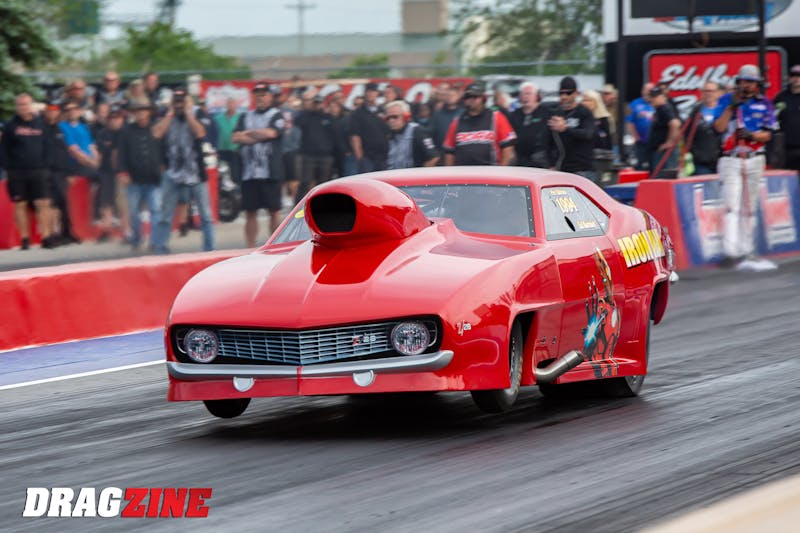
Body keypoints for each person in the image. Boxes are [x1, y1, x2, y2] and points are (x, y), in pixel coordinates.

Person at [713, 64, 779, 272]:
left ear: (757, 84)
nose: (747, 85)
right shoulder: (726, 100)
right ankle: (730, 252)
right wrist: (731, 107)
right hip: (731, 158)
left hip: (754, 158)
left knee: (749, 207)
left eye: (751, 82)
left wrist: (751, 136)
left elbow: (769, 134)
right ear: (738, 82)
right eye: (744, 81)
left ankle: (746, 249)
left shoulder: (765, 103)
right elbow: (718, 127)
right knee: (731, 205)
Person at [151, 88, 213, 254]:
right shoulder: (167, 117)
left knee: (206, 215)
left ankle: (209, 249)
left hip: (196, 174)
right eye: (176, 102)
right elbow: (156, 133)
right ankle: (161, 249)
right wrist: (170, 113)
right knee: (165, 216)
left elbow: (200, 132)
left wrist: (187, 113)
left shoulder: (197, 114)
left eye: (181, 101)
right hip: (173, 174)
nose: (179, 105)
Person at [232, 82, 286, 246]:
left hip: (270, 171)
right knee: (250, 212)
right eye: (257, 95)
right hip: (249, 172)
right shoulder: (245, 116)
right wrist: (259, 135)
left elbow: (272, 133)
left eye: (263, 95)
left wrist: (248, 133)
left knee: (274, 211)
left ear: (270, 96)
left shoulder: (277, 115)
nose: (260, 98)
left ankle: (275, 246)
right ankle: (250, 247)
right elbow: (235, 137)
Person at [1, 93, 57, 249]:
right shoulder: (10, 126)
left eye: (25, 104)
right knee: (20, 204)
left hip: (39, 170)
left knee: (43, 202)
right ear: (16, 107)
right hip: (17, 172)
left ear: (31, 105)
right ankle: (25, 239)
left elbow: (48, 146)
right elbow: (3, 149)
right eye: (20, 105)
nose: (23, 107)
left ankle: (46, 236)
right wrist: (8, 166)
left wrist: (46, 165)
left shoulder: (41, 124)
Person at [117, 101, 163, 251]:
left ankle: (155, 241)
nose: (141, 114)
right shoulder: (126, 131)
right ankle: (137, 238)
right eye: (137, 111)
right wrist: (122, 172)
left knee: (156, 210)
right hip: (133, 179)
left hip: (154, 178)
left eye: (143, 110)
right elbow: (121, 154)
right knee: (133, 212)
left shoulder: (156, 128)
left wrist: (164, 166)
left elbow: (164, 148)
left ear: (149, 112)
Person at [442, 81, 516, 166]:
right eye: (467, 97)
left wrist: (503, 168)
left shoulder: (496, 117)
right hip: (463, 171)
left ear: (483, 98)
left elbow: (508, 146)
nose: (471, 100)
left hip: (491, 169)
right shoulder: (457, 121)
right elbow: (449, 151)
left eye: (475, 97)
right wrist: (450, 171)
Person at [42, 100, 80, 245]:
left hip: (61, 171)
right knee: (52, 204)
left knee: (63, 203)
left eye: (55, 110)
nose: (52, 113)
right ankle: (54, 233)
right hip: (47, 170)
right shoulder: (41, 128)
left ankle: (66, 232)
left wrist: (70, 171)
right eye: (49, 110)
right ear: (45, 112)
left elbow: (65, 151)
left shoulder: (59, 129)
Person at [548, 76, 596, 181]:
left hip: (582, 168)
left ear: (576, 93)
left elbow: (588, 134)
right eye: (561, 93)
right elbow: (548, 141)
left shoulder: (584, 112)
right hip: (561, 168)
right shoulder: (555, 112)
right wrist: (550, 164)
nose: (564, 96)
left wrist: (566, 129)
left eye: (568, 93)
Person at [295, 93, 338, 200]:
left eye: (319, 103)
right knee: (305, 182)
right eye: (315, 103)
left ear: (323, 104)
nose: (317, 105)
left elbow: (336, 133)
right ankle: (299, 205)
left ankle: (321, 206)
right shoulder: (305, 116)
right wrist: (307, 108)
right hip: (308, 155)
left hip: (325, 155)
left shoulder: (328, 117)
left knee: (324, 184)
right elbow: (298, 122)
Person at [94, 104, 125, 241]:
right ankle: (106, 230)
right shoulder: (102, 133)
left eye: (117, 118)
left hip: (123, 172)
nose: (115, 120)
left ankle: (126, 230)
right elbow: (100, 151)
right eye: (112, 118)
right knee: (106, 202)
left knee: (123, 203)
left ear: (122, 119)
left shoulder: (127, 132)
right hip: (106, 171)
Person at [508, 82, 553, 168]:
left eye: (528, 94)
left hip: (541, 162)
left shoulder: (547, 114)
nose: (525, 96)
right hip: (520, 162)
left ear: (536, 96)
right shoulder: (514, 115)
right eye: (523, 94)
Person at [385, 100, 439, 169]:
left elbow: (433, 157)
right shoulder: (389, 135)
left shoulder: (417, 132)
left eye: (395, 117)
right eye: (388, 118)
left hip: (412, 174)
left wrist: (421, 173)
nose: (391, 120)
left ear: (406, 116)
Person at [684, 81, 723, 176]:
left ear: (718, 93)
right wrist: (694, 152)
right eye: (706, 91)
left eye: (711, 91)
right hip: (701, 161)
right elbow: (687, 134)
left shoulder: (724, 110)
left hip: (722, 160)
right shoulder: (696, 110)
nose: (708, 94)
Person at [349, 82, 389, 173]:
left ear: (377, 93)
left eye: (373, 91)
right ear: (365, 93)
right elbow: (355, 137)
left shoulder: (383, 111)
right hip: (367, 157)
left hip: (384, 156)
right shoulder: (357, 114)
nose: (370, 94)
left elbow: (388, 134)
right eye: (368, 91)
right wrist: (360, 158)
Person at [646, 86, 681, 177]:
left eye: (654, 97)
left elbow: (675, 123)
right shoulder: (659, 109)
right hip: (660, 151)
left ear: (662, 97)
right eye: (651, 97)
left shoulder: (665, 108)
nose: (652, 99)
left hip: (665, 153)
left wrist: (669, 142)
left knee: (663, 178)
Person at [774, 64, 800, 173]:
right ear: (788, 77)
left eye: (799, 76)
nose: (796, 78)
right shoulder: (781, 97)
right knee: (787, 178)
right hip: (786, 149)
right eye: (793, 75)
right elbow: (772, 120)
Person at [626, 83, 655, 170]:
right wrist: (635, 137)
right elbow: (629, 122)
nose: (649, 92)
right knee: (641, 165)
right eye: (647, 90)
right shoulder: (634, 104)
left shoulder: (656, 103)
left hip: (655, 143)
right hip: (641, 142)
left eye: (651, 90)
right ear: (642, 91)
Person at [215, 97, 241, 183]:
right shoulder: (218, 118)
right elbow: (214, 134)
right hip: (221, 150)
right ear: (226, 105)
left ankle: (236, 188)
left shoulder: (240, 118)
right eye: (229, 103)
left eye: (233, 103)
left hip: (235, 150)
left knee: (235, 174)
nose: (231, 105)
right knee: (222, 173)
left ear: (236, 105)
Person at [430, 84, 462, 152]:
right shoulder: (437, 114)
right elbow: (431, 132)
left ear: (458, 97)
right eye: (448, 95)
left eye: (453, 95)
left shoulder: (463, 114)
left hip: (459, 151)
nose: (450, 97)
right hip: (440, 151)